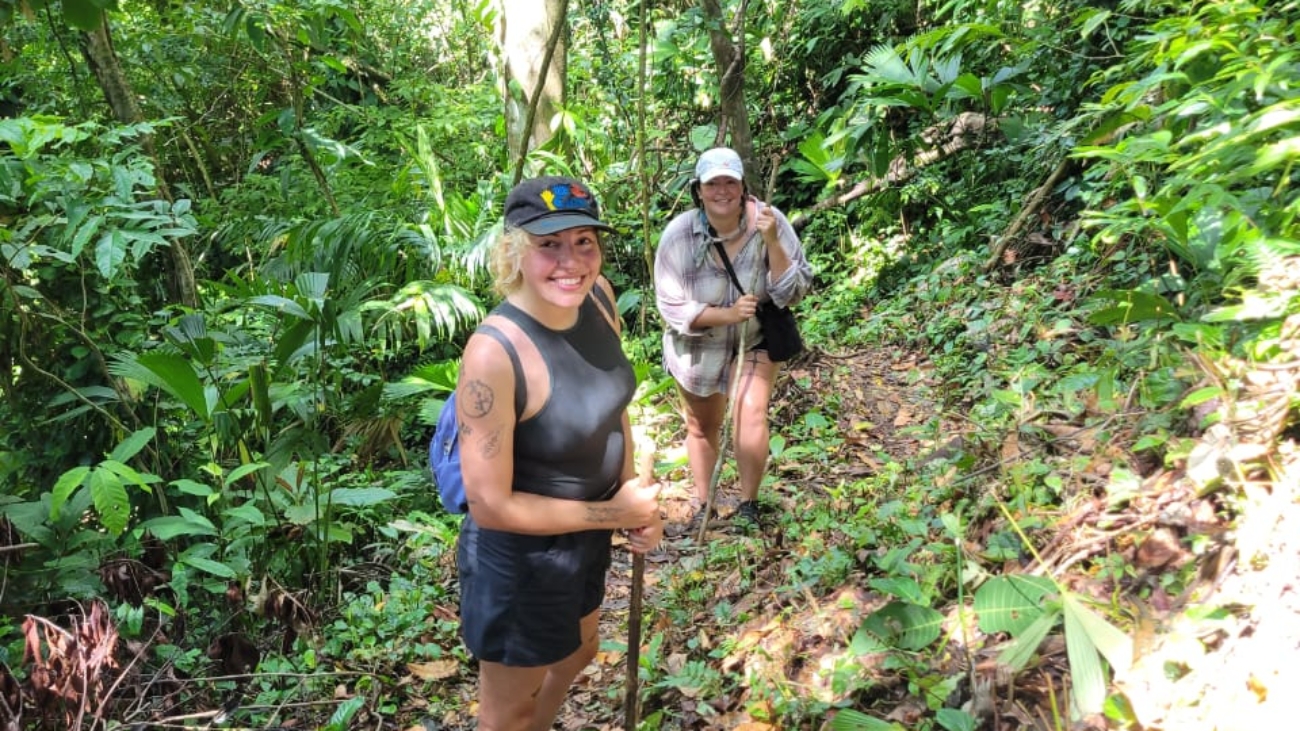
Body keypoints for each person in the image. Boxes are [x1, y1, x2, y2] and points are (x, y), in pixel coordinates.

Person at [454, 175, 664, 731]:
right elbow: (490, 505)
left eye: (584, 241)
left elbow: (616, 404)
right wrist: (616, 514)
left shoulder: (599, 297)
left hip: (589, 534)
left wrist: (628, 495)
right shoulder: (493, 354)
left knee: (580, 651)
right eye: (549, 244)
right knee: (508, 710)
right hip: (519, 562)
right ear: (514, 250)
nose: (571, 260)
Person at [654, 147, 813, 532]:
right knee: (701, 426)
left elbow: (795, 289)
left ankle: (748, 505)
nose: (722, 190)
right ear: (699, 190)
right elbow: (671, 306)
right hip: (697, 346)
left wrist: (773, 240)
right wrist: (725, 315)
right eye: (713, 183)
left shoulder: (769, 221)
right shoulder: (679, 236)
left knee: (750, 412)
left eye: (730, 182)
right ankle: (704, 503)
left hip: (756, 337)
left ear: (743, 186)